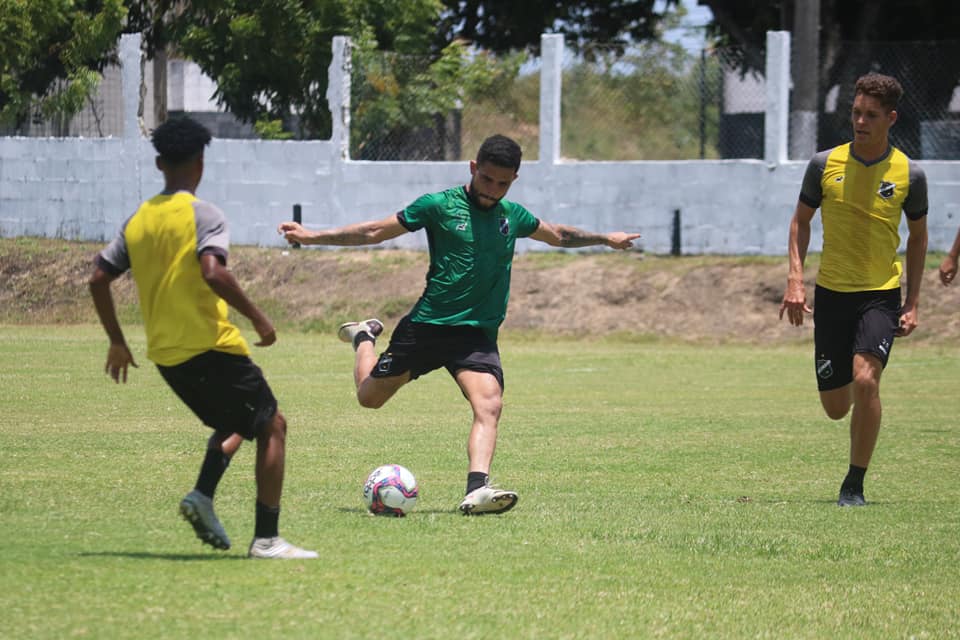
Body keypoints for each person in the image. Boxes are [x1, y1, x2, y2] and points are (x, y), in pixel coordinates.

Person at [278, 134, 640, 515]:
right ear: (473, 168)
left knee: (489, 404)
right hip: (429, 327)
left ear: (514, 179)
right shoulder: (438, 206)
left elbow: (559, 235)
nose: (493, 190)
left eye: (503, 183)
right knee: (369, 399)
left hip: (476, 333)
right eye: (487, 179)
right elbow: (374, 232)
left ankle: (477, 489)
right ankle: (364, 337)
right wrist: (311, 235)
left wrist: (606, 238)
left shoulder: (511, 216)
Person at [89, 116, 317, 558]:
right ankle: (267, 540)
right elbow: (213, 271)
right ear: (200, 163)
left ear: (159, 163)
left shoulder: (138, 220)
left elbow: (99, 278)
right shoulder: (203, 214)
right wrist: (259, 318)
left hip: (167, 356)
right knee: (273, 425)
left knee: (236, 422)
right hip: (211, 346)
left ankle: (202, 495)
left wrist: (117, 341)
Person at [779, 73, 928, 507]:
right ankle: (846, 407)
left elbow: (919, 239)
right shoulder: (824, 164)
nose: (860, 121)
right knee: (835, 407)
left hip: (880, 295)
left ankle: (854, 484)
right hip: (831, 295)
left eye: (871, 115)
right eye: (856, 112)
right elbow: (800, 222)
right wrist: (794, 279)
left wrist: (913, 301)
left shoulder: (909, 174)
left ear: (891, 118)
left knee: (867, 380)